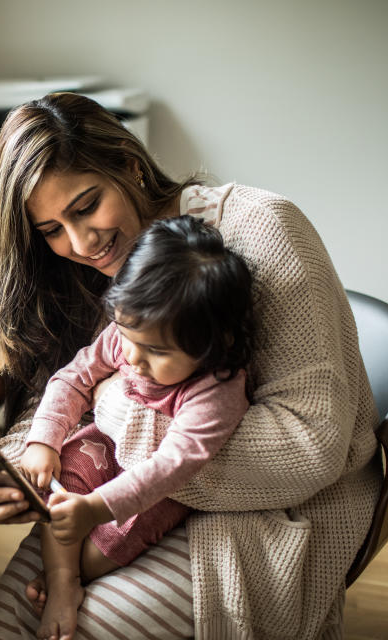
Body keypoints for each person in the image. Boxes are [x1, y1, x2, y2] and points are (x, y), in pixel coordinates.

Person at [0, 91, 381, 639]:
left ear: (129, 165)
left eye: (85, 206)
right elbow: (56, 387)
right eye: (52, 230)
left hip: (274, 506)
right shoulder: (81, 269)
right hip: (121, 484)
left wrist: (110, 408)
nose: (81, 243)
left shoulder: (263, 231)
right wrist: (16, 470)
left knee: (87, 627)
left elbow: (310, 448)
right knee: (11, 616)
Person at [19, 215, 255, 640]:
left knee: (114, 537)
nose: (133, 357)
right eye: (127, 335)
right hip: (108, 446)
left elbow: (172, 467)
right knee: (61, 485)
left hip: (155, 483)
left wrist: (96, 508)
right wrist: (44, 440)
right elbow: (74, 378)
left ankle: (68, 578)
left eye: (156, 351)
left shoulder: (216, 388)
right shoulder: (127, 335)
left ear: (215, 344)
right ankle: (61, 580)